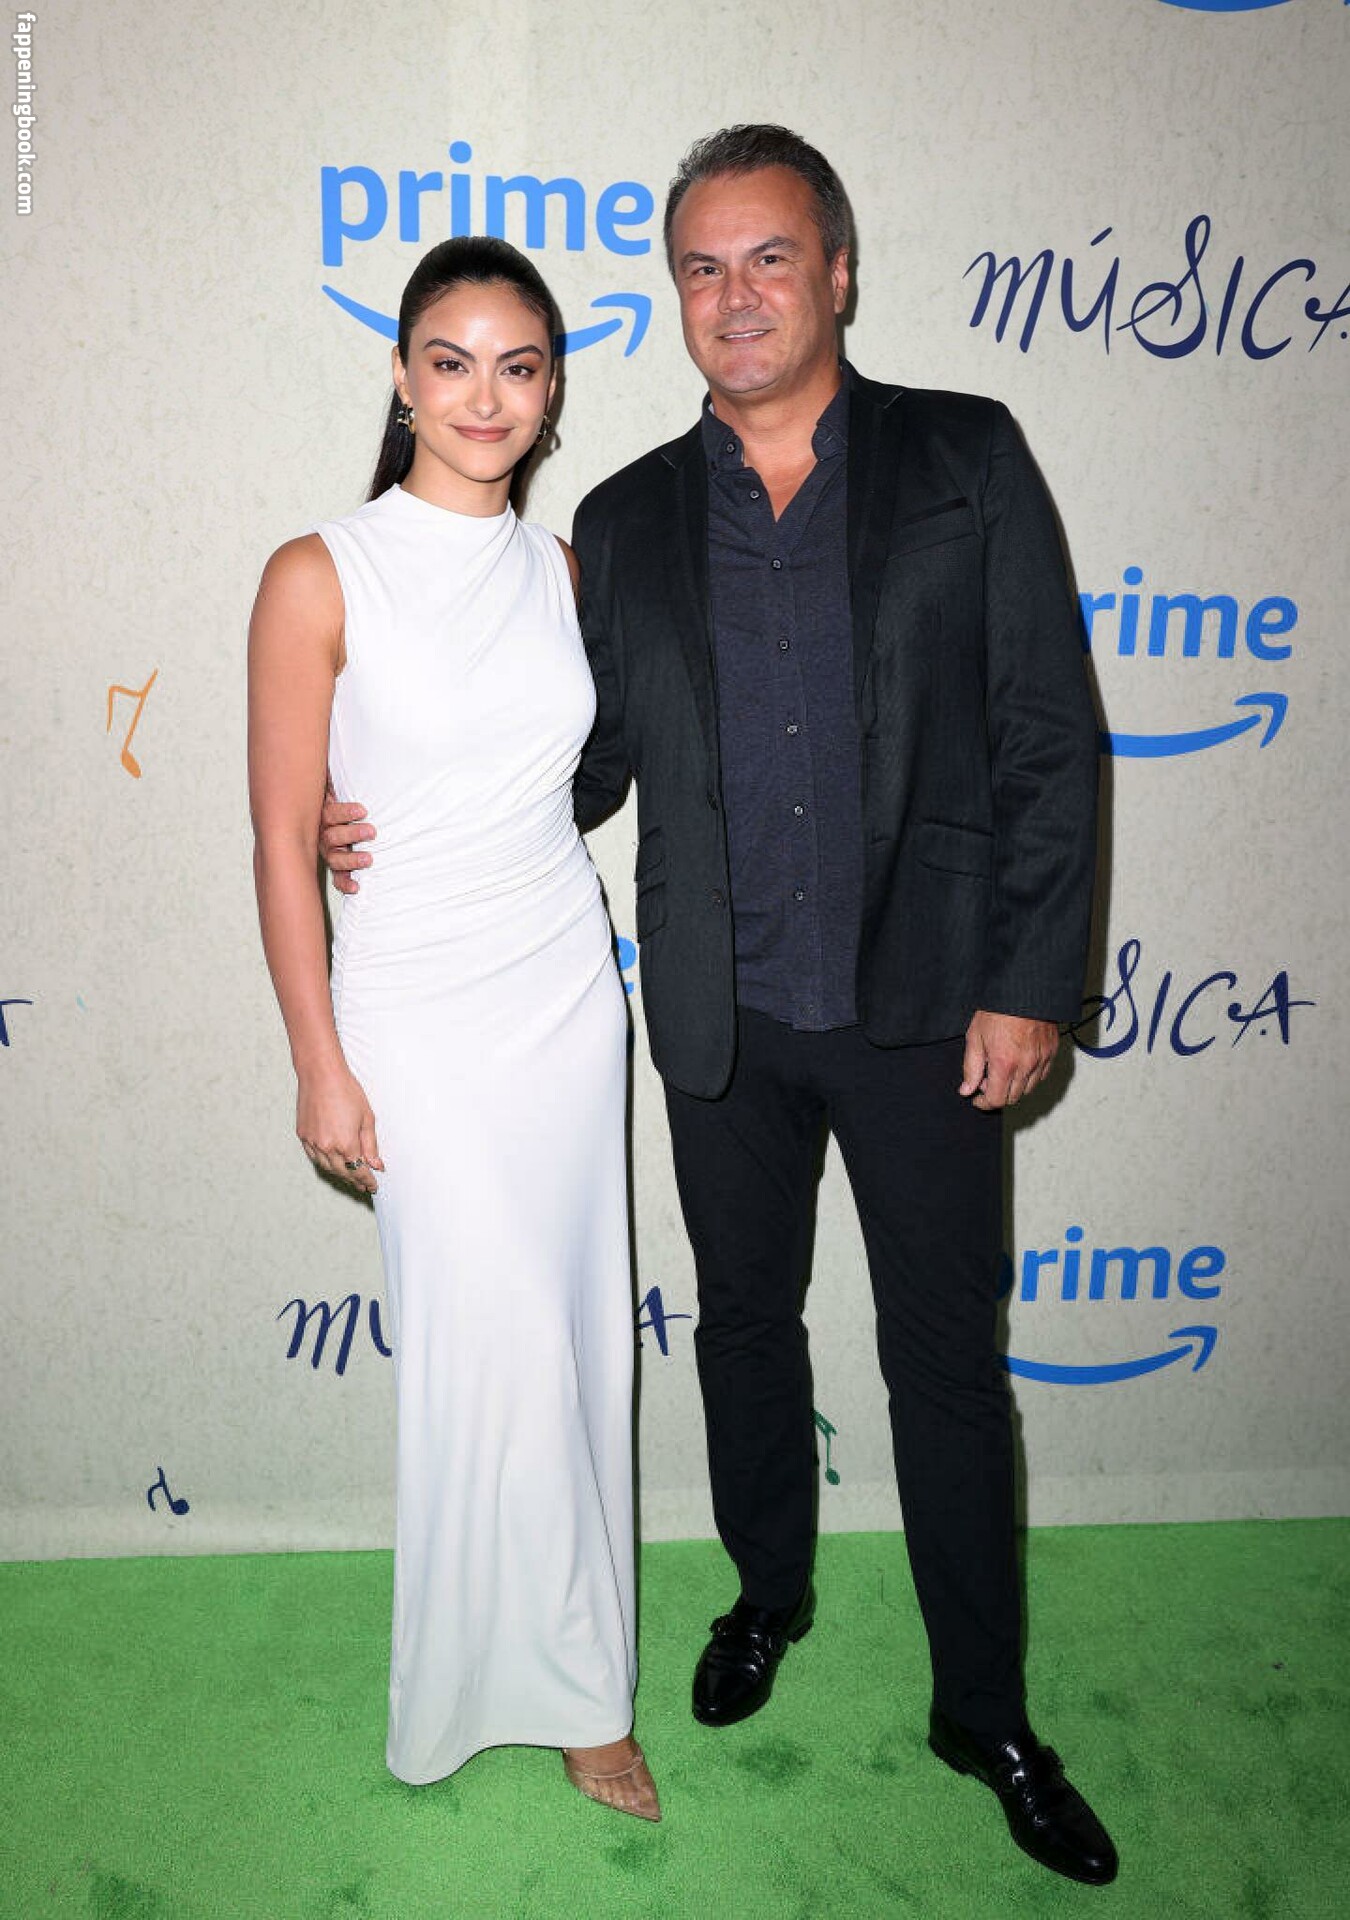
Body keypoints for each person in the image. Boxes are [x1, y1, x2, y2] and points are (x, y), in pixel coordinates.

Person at [322, 128, 1115, 1883]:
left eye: (767, 257)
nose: (734, 294)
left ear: (836, 270)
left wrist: (1026, 984)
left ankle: (982, 1708)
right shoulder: (617, 524)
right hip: (717, 1023)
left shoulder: (966, 456)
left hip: (929, 1011)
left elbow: (1048, 731)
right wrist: (359, 801)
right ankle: (767, 1598)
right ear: (673, 293)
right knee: (743, 1331)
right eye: (699, 265)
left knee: (943, 1367)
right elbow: (572, 763)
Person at [248, 235, 658, 1822]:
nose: (485, 396)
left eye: (519, 365)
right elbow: (283, 836)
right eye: (451, 360)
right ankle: (481, 1683)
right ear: (402, 376)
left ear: (550, 392)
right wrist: (318, 1059)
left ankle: (581, 1690)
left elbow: (563, 775)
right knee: (483, 1348)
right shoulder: (316, 573)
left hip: (562, 991)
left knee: (569, 1343)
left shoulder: (562, 572)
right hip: (412, 1009)